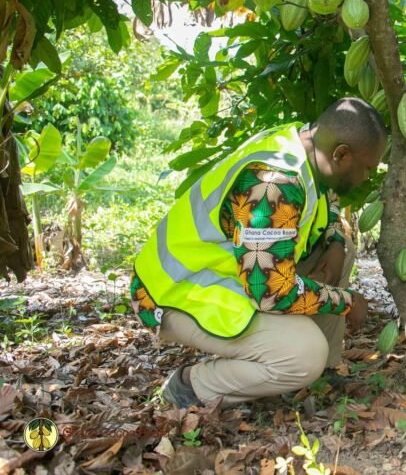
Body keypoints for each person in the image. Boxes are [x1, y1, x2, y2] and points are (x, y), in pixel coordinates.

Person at [128, 97, 388, 408]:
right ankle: (190, 386)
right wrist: (346, 302)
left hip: (236, 272)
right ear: (341, 154)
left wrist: (333, 240)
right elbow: (270, 293)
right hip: (174, 291)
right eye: (367, 168)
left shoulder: (303, 142)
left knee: (342, 251)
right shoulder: (274, 184)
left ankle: (321, 375)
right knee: (305, 354)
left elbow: (326, 196)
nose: (367, 178)